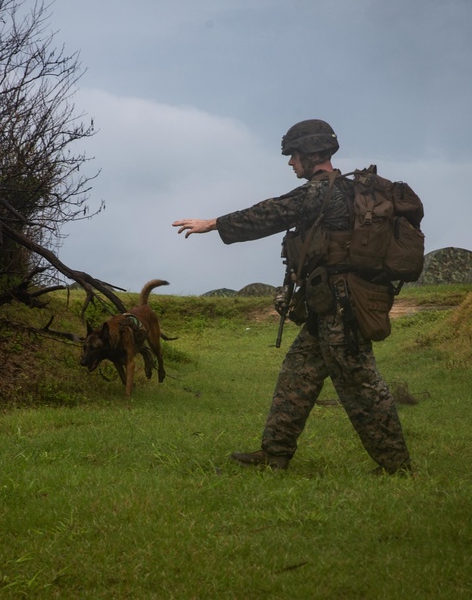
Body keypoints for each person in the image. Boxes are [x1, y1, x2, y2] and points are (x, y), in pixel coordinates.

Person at [172, 119, 413, 475]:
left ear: (311, 154)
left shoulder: (320, 193)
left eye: (293, 156)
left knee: (361, 386)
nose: (290, 163)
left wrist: (214, 224)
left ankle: (397, 467)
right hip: (326, 305)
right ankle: (275, 454)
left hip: (342, 310)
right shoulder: (344, 189)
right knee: (296, 376)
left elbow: (271, 213)